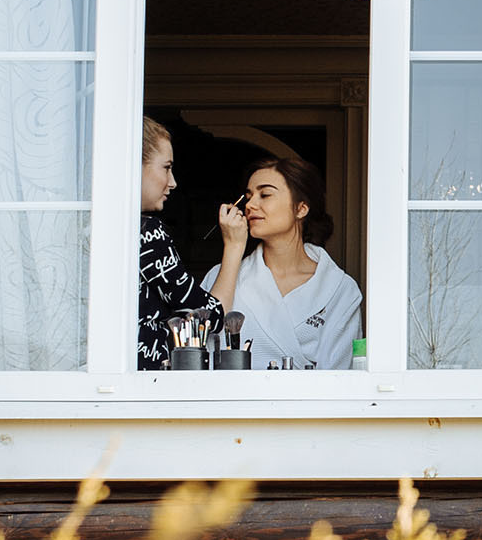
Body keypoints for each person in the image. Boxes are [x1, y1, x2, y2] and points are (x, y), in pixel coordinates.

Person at [205, 156, 362, 370]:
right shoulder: (221, 276)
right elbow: (200, 352)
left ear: (301, 209)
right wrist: (232, 248)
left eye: (265, 194)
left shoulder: (339, 289)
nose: (250, 205)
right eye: (249, 196)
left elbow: (338, 376)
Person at [139, 118, 245, 369]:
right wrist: (234, 245)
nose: (173, 182)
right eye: (166, 168)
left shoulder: (87, 225)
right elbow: (210, 318)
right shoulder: (146, 233)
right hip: (141, 387)